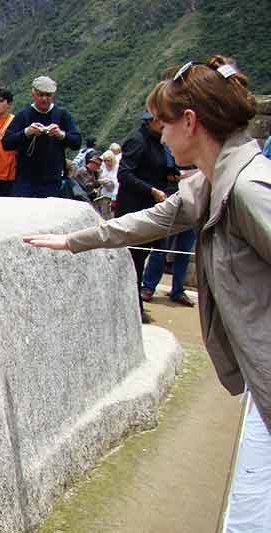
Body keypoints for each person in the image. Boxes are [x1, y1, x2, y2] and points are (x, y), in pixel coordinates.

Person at [23, 56, 270, 532]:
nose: (160, 134)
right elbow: (153, 220)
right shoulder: (215, 181)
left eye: (164, 123)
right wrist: (74, 239)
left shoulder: (248, 188)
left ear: (191, 123)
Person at [112, 110, 174, 322]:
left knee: (141, 258)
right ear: (152, 121)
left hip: (149, 208)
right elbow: (125, 174)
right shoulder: (138, 141)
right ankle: (132, 308)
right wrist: (151, 190)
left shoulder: (158, 142)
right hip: (134, 207)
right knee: (134, 260)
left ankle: (133, 306)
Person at [3, 76, 81, 198]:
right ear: (33, 93)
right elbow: (6, 143)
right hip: (25, 181)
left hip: (52, 182)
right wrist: (26, 132)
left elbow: (76, 142)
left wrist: (61, 135)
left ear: (53, 95)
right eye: (40, 95)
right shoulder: (23, 115)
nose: (44, 99)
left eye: (48, 95)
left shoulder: (62, 115)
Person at [140, 167, 198, 307]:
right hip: (170, 200)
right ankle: (148, 286)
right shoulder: (171, 152)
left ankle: (178, 290)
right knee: (160, 249)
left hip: (193, 203)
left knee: (183, 252)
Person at [98, 149, 119, 219]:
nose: (106, 162)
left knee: (112, 213)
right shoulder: (102, 167)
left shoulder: (117, 167)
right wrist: (102, 181)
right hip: (104, 193)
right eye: (105, 160)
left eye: (108, 160)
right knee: (104, 213)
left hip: (114, 194)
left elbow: (118, 181)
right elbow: (98, 179)